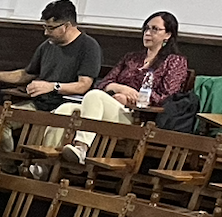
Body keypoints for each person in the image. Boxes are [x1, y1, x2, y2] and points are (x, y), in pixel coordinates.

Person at [58, 11, 190, 169]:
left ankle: (81, 148)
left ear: (168, 34)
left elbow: (168, 96)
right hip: (111, 108)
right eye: (146, 28)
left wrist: (130, 98)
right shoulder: (132, 58)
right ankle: (47, 160)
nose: (148, 33)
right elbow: (103, 83)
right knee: (65, 109)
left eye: (155, 29)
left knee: (94, 97)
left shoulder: (175, 61)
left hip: (137, 117)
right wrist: (119, 88)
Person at [0, 0, 103, 129]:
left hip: (67, 107)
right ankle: (4, 150)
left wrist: (53, 87)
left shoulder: (89, 46)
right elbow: (27, 74)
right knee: (2, 119)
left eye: (50, 28)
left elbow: (83, 85)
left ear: (66, 26)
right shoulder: (47, 46)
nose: (46, 33)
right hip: (40, 104)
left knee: (42, 129)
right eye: (45, 27)